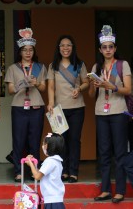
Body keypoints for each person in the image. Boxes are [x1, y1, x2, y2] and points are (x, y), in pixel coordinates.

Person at [88, 25, 131, 204]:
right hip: (100, 112)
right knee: (104, 152)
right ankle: (105, 189)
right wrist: (94, 85)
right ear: (100, 49)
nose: (107, 50)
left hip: (119, 112)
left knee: (119, 152)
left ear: (115, 48)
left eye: (110, 47)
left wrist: (112, 87)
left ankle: (120, 191)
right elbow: (91, 95)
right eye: (104, 47)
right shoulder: (96, 66)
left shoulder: (123, 65)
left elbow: (128, 90)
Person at [4, 28, 47, 182]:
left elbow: (43, 88)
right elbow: (9, 90)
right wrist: (20, 85)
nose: (28, 53)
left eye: (30, 50)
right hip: (19, 106)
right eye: (24, 50)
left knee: (34, 140)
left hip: (36, 106)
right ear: (20, 52)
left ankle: (34, 170)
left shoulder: (40, 67)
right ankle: (18, 171)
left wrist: (35, 83)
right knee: (18, 139)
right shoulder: (13, 68)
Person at [47, 35, 89, 183]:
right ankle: (63, 171)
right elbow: (51, 86)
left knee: (74, 140)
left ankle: (73, 172)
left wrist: (79, 88)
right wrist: (51, 103)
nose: (66, 48)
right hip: (58, 110)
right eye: (62, 45)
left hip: (77, 108)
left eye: (68, 45)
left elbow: (86, 82)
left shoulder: (80, 64)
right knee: (60, 141)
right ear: (58, 48)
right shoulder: (53, 66)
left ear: (73, 47)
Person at [25, 133, 65, 209]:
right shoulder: (56, 160)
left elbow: (37, 176)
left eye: (44, 143)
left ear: (47, 146)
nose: (43, 146)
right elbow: (39, 174)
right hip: (55, 199)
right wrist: (32, 164)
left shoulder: (50, 161)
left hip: (52, 201)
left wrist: (30, 164)